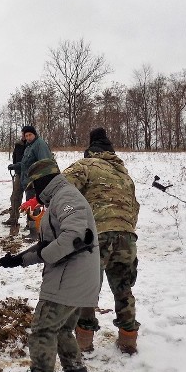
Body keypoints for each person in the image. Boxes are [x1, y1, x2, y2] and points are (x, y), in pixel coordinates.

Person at [0, 158, 100, 372]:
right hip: (77, 278)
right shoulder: (58, 198)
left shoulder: (67, 197)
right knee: (63, 331)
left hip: (68, 279)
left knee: (43, 330)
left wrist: (45, 255)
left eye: (33, 184)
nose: (32, 190)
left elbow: (73, 237)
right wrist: (19, 260)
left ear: (42, 180)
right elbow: (49, 246)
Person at [62, 127, 141, 354]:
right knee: (123, 287)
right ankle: (128, 340)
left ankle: (84, 342)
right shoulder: (125, 176)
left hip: (97, 234)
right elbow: (134, 208)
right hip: (127, 236)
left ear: (91, 149)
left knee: (87, 288)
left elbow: (62, 188)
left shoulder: (86, 166)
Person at [9, 125, 52, 238]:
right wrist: (16, 166)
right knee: (30, 205)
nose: (28, 137)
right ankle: (32, 228)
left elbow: (45, 163)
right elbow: (26, 164)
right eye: (26, 135)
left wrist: (40, 180)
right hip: (28, 180)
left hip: (35, 181)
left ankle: (35, 232)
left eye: (30, 135)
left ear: (34, 134)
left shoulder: (40, 145)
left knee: (33, 206)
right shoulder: (29, 146)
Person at [2, 135, 26, 226]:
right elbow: (15, 158)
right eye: (24, 134)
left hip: (30, 174)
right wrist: (15, 167)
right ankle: (13, 218)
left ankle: (32, 221)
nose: (25, 136)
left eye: (27, 134)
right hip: (19, 174)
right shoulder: (18, 145)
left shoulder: (33, 145)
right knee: (15, 196)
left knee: (31, 198)